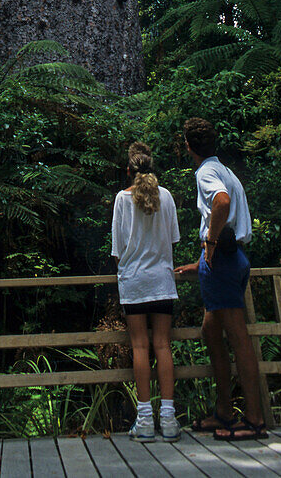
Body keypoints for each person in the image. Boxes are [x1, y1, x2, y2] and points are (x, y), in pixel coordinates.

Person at [174, 117, 269, 442]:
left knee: (238, 337)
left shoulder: (206, 173)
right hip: (231, 258)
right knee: (210, 331)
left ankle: (255, 419)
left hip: (225, 260)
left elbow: (222, 203)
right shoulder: (224, 170)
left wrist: (210, 247)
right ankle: (224, 411)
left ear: (189, 146)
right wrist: (199, 263)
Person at [111, 141, 181, 442]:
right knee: (163, 345)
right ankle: (168, 419)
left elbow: (117, 249)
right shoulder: (166, 196)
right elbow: (174, 239)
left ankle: (144, 420)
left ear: (128, 170)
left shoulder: (121, 199)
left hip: (135, 281)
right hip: (162, 280)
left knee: (140, 347)